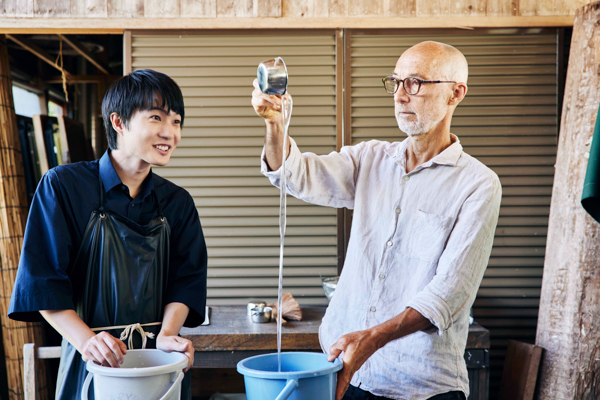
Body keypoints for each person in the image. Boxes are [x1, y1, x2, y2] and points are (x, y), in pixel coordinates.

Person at [252, 41, 501, 400]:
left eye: (415, 83)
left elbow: (448, 294)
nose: (400, 95)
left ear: (455, 94)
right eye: (396, 82)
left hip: (421, 385)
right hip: (345, 371)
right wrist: (275, 125)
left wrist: (372, 338)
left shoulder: (478, 184)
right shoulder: (370, 158)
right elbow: (294, 174)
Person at [8, 69, 207, 400]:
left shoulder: (178, 203)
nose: (170, 133)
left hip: (158, 364)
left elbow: (187, 280)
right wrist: (89, 341)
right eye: (157, 117)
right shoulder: (63, 187)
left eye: (176, 121)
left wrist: (167, 335)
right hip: (91, 363)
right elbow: (44, 283)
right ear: (118, 122)